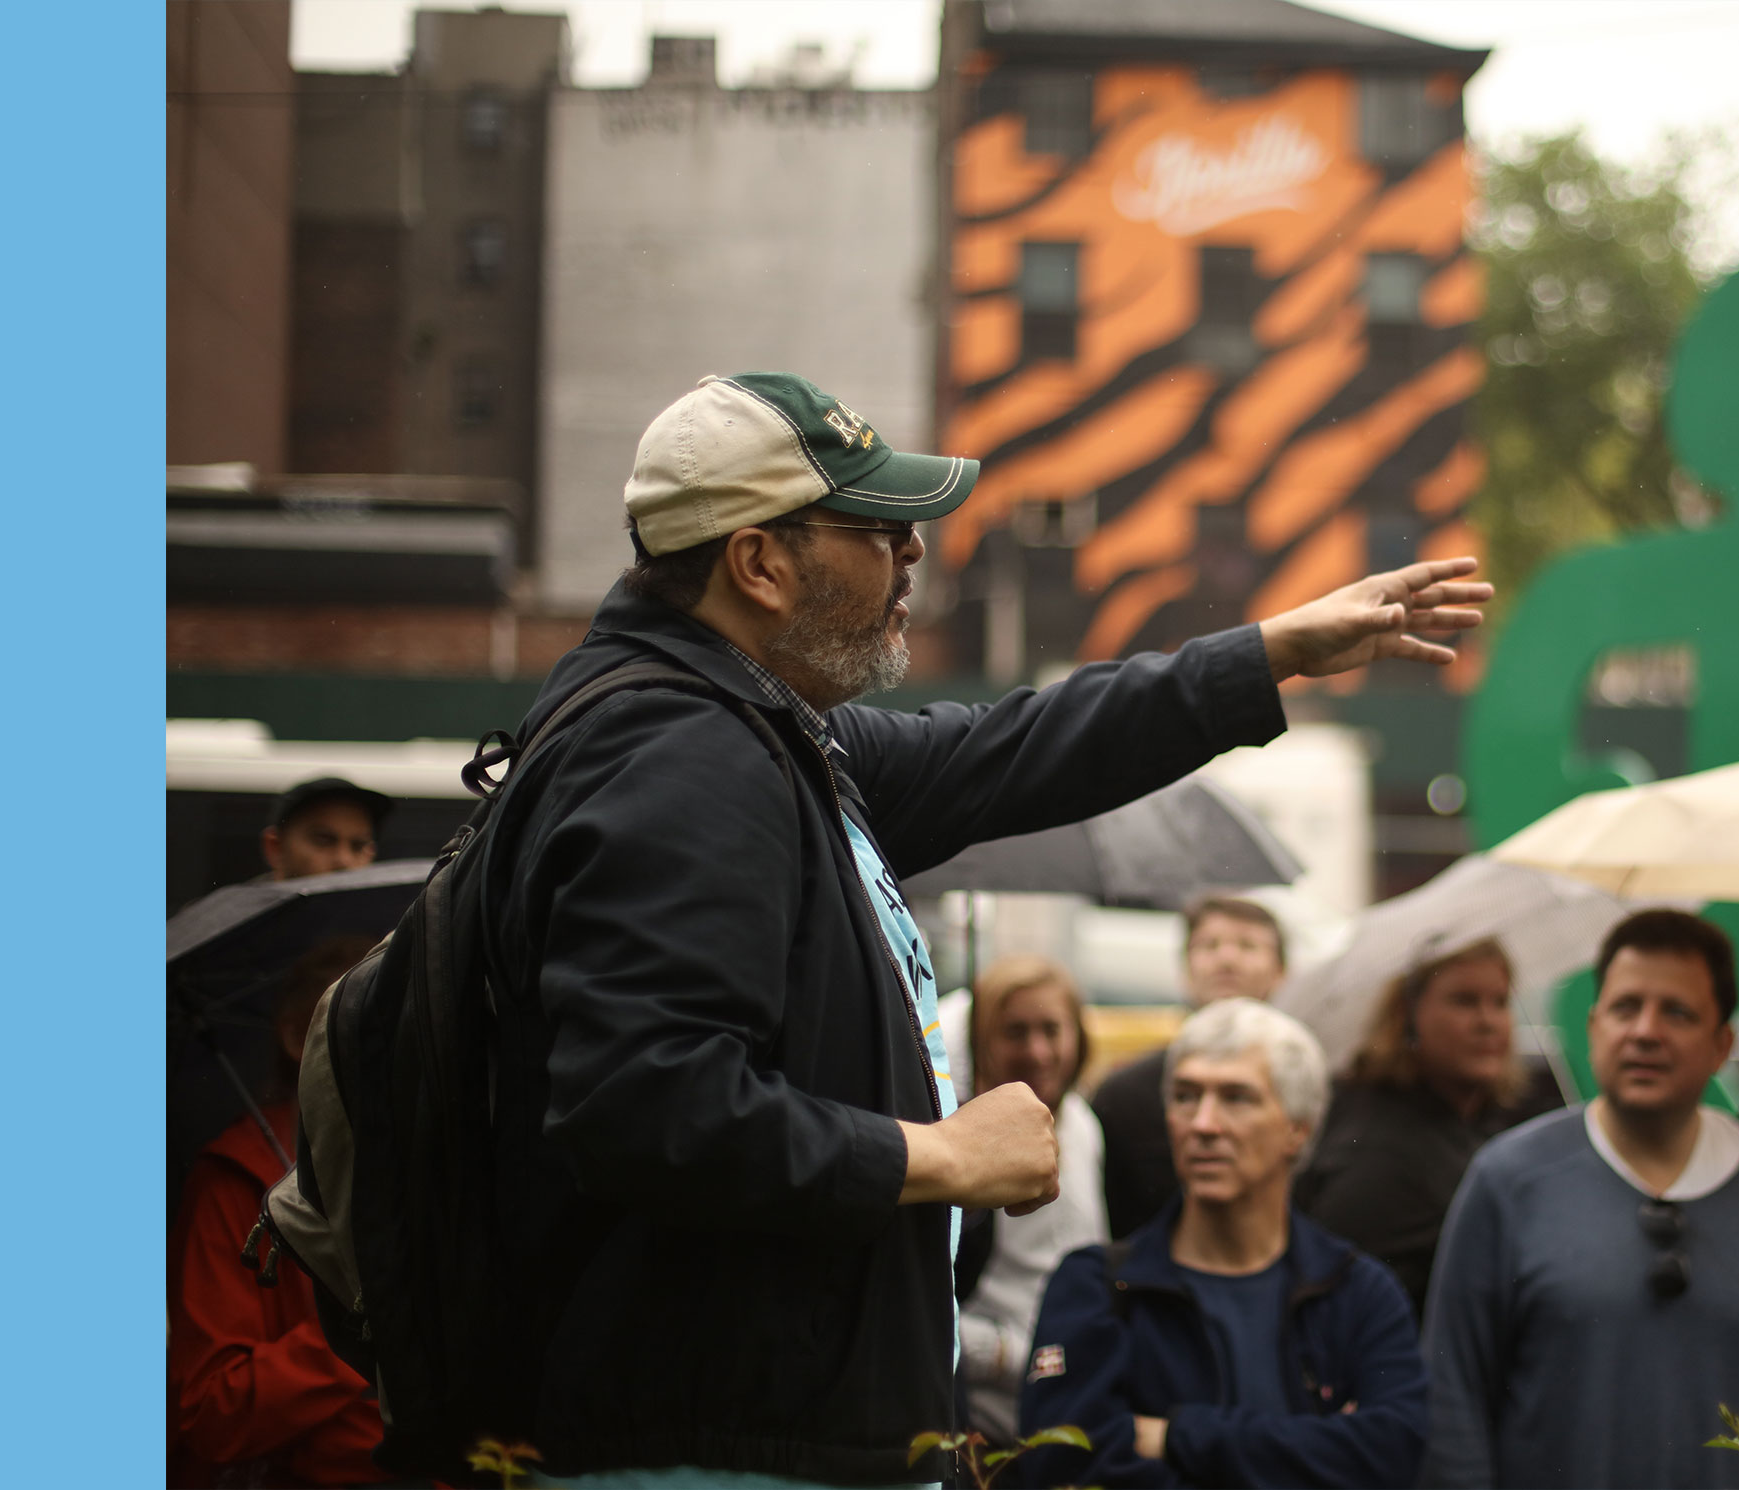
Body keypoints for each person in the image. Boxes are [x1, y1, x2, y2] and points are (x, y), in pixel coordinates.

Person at [462, 371, 1489, 1485]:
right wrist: (939, 1152)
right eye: (876, 527)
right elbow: (646, 1102)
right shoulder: (685, 755)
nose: (911, 554)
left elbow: (1020, 743)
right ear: (758, 564)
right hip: (706, 1453)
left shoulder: (771, 740)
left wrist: (1273, 650)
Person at [1423, 910, 1739, 1489]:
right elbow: (1451, 1398)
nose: (1645, 1031)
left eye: (1677, 1012)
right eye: (1626, 1008)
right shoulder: (1508, 1180)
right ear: (1594, 1025)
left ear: (1722, 1043)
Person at [1015, 999, 1427, 1488]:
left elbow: (1390, 1454)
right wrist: (1312, 1446)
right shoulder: (1098, 1287)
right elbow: (1062, 1465)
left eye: (1236, 1098)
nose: (1203, 1124)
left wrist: (1175, 1435)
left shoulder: (1356, 1291)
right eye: (1186, 1096)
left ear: (1299, 1128)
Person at [170, 936, 385, 1488]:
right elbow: (212, 1408)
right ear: (297, 1035)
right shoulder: (234, 1181)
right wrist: (359, 1329)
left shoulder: (417, 1158)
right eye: (371, 1022)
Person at [1294, 937, 1524, 1318]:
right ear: (1407, 1014)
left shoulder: (1475, 1118)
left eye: (1500, 1002)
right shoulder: (1378, 1148)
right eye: (1465, 1001)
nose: (1488, 1022)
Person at [954, 958, 1107, 1439]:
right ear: (982, 1041)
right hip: (983, 1421)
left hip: (1072, 1403)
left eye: (1051, 1029)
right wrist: (1002, 1353)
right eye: (1015, 1032)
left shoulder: (1082, 1125)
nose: (1038, 1051)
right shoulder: (960, 1139)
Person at [1100, 896, 1293, 1237]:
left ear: (1281, 972)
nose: (1227, 959)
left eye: (1247, 946)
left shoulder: (1300, 1085)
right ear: (1186, 969)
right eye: (1210, 945)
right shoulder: (1123, 1096)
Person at [262, 777, 387, 881]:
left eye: (358, 846)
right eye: (323, 841)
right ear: (275, 847)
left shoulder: (385, 910)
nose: (344, 861)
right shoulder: (243, 909)